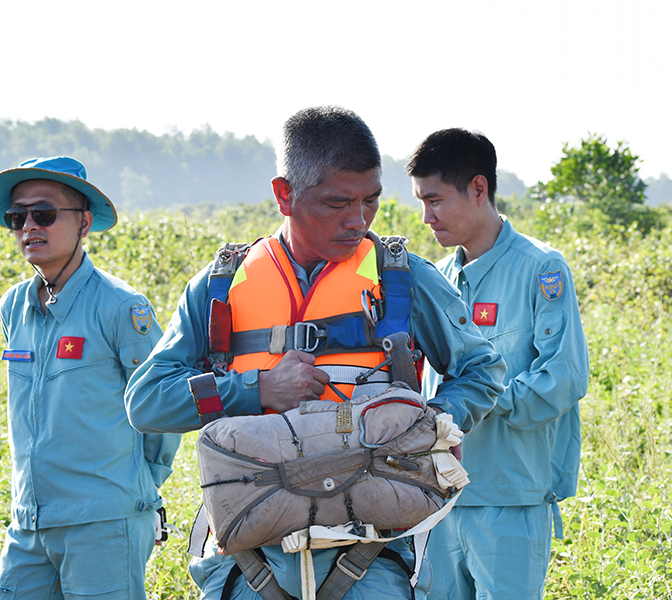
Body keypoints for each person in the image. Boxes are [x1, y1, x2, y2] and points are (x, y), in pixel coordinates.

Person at [125, 106, 506, 600]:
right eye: (336, 203)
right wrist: (255, 389)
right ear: (284, 195)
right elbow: (146, 401)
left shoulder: (400, 278)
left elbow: (481, 370)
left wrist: (423, 423)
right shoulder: (222, 285)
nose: (358, 219)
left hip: (374, 558)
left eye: (370, 200)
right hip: (251, 567)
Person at [0, 156, 181, 599]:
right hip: (29, 523)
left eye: (44, 213)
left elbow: (161, 407)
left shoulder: (121, 307)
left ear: (84, 222)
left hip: (103, 523)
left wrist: (136, 487)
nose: (29, 226)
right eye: (18, 216)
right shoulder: (14, 306)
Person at [406, 128, 590, 599]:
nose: (426, 217)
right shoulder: (436, 281)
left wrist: (477, 397)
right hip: (440, 498)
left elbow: (562, 378)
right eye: (421, 203)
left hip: (510, 500)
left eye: (436, 200)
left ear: (478, 188)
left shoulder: (540, 269)